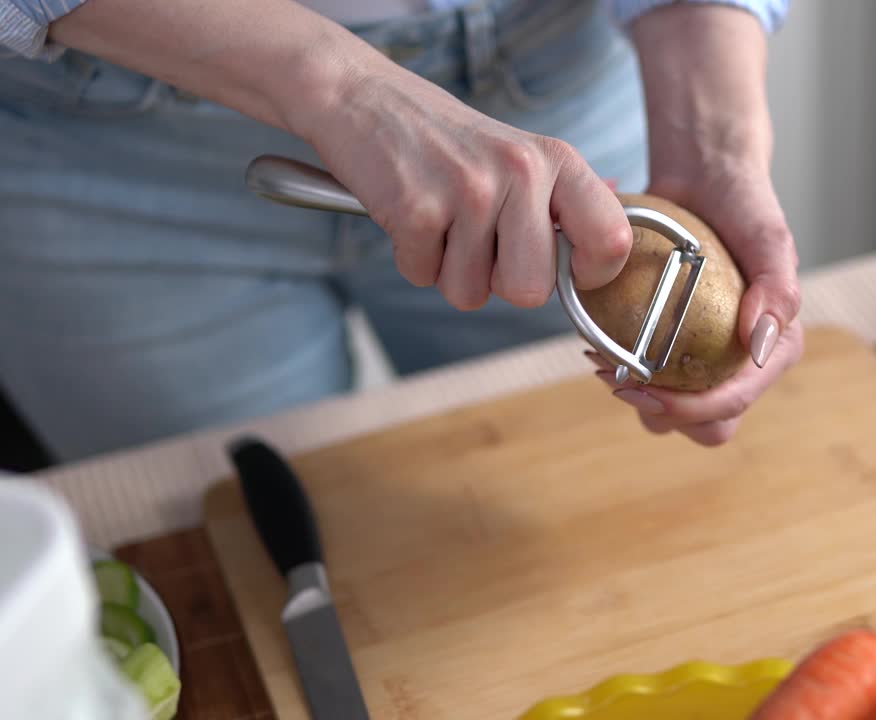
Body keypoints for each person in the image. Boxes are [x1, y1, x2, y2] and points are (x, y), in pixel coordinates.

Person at [0, 0, 804, 463]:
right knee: (243, 545)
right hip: (106, 151)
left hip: (549, 133)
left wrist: (712, 138)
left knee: (588, 530)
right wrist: (339, 88)